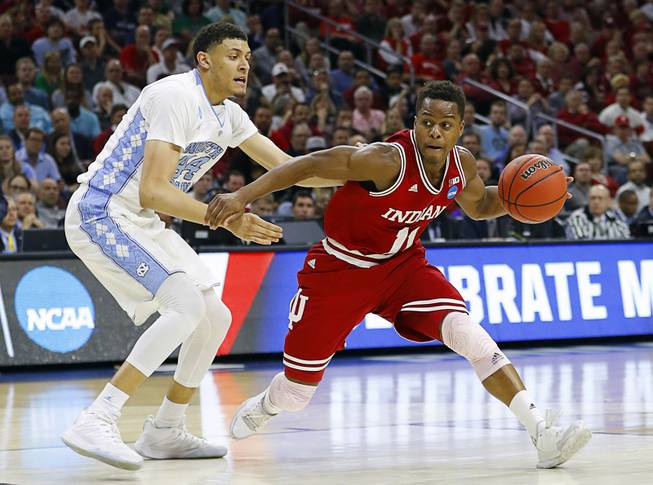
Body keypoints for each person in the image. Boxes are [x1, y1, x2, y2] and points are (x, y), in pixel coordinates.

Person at [206, 80, 591, 469]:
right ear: (415, 122)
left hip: (403, 267)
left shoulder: (463, 165)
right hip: (341, 271)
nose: (435, 132)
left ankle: (542, 434)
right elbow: (307, 165)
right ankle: (269, 403)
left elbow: (482, 205)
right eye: (426, 122)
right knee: (297, 393)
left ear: (460, 128)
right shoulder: (385, 160)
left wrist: (544, 196)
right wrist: (242, 196)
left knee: (471, 336)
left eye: (445, 124)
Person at [61, 22, 329, 471]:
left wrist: (363, 171)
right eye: (232, 55)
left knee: (214, 316)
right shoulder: (174, 96)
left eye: (248, 55)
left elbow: (291, 168)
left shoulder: (230, 116)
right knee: (184, 305)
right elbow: (153, 192)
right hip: (101, 212)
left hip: (141, 221)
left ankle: (165, 429)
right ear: (204, 60)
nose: (245, 63)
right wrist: (230, 220)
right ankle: (98, 417)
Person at [565, 185, 631, 240]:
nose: (596, 202)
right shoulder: (577, 217)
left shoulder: (616, 218)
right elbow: (581, 244)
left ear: (608, 201)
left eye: (600, 198)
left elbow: (625, 242)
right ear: (588, 200)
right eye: (593, 198)